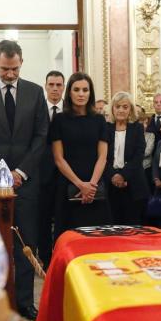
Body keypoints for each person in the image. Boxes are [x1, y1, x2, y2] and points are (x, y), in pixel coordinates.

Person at [0, 39, 48, 321]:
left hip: (26, 182)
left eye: (14, 69)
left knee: (25, 243)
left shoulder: (35, 93)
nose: (10, 74)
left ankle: (24, 302)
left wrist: (20, 173)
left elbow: (41, 137)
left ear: (21, 63)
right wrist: (3, 172)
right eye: (5, 69)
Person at [50, 72, 111, 234]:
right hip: (68, 185)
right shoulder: (59, 120)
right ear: (69, 92)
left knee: (97, 237)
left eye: (85, 90)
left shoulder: (99, 120)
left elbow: (102, 157)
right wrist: (80, 185)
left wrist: (91, 186)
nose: (81, 94)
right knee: (68, 236)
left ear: (90, 93)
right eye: (76, 89)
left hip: (95, 186)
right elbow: (58, 158)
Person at [104, 91, 148, 225]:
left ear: (131, 110)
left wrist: (123, 175)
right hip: (110, 184)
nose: (121, 110)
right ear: (112, 109)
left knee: (132, 226)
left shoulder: (137, 128)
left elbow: (139, 155)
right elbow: (101, 156)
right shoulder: (105, 128)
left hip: (133, 184)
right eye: (117, 106)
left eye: (125, 107)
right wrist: (113, 176)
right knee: (112, 226)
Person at [38, 70, 65, 271]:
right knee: (43, 218)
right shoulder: (38, 110)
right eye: (51, 85)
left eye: (59, 85)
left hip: (66, 174)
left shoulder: (70, 112)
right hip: (41, 173)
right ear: (46, 86)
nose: (55, 89)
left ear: (63, 87)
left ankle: (62, 257)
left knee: (63, 217)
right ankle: (46, 259)